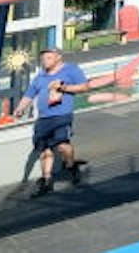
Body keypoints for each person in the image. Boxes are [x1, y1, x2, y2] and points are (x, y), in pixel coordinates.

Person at [13, 49, 110, 196]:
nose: (44, 61)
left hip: (62, 116)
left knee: (62, 145)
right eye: (43, 59)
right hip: (44, 118)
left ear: (58, 58)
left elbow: (85, 87)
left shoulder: (71, 70)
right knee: (44, 148)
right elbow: (29, 94)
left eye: (48, 58)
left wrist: (64, 88)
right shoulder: (40, 76)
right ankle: (47, 181)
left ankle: (71, 166)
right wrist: (20, 108)